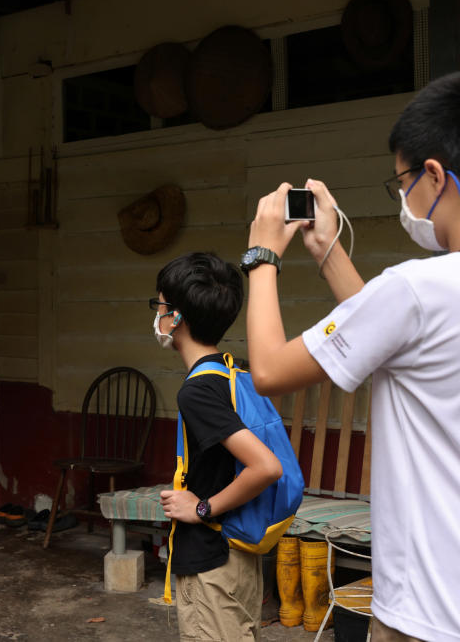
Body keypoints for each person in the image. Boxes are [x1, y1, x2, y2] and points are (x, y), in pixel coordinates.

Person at [243, 72, 460, 641]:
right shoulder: (422, 299)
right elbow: (393, 333)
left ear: (434, 176)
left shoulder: (417, 287)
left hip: (425, 609)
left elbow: (266, 370)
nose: (405, 199)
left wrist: (262, 252)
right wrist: (327, 248)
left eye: (402, 182)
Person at [155, 253, 283, 641]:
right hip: (239, 552)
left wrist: (200, 507)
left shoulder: (198, 391)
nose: (156, 315)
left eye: (158, 305)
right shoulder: (232, 370)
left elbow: (266, 466)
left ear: (176, 317)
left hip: (213, 560)